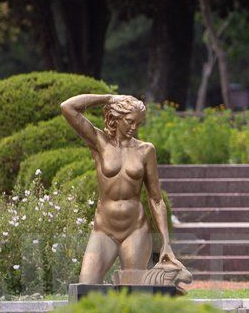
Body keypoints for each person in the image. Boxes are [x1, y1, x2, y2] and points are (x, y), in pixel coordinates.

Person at [59, 93, 186, 284]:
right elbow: (67, 107)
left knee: (134, 290)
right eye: (129, 121)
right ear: (116, 119)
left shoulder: (146, 150)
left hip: (135, 229)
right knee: (86, 286)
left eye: (138, 123)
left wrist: (166, 244)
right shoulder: (99, 143)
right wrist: (109, 98)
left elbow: (156, 199)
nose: (134, 128)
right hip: (104, 230)